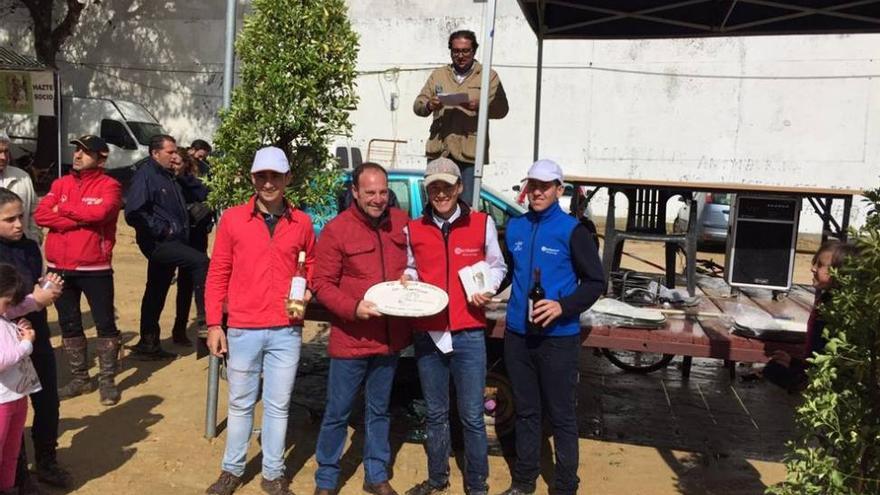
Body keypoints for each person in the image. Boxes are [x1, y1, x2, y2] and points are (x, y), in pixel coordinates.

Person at [204, 147, 315, 495]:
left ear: (287, 179)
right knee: (240, 403)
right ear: (253, 179)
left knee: (279, 405)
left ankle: (272, 473)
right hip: (243, 327)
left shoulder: (303, 222)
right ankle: (232, 469)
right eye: (262, 176)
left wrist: (308, 288)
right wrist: (213, 324)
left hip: (286, 328)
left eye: (276, 176)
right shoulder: (234, 220)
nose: (269, 183)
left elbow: (310, 264)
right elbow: (218, 272)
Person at [400, 158, 506, 495]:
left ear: (459, 188)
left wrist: (489, 286)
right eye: (434, 187)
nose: (441, 192)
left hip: (469, 332)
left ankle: (477, 486)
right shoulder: (413, 228)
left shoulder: (481, 223)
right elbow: (413, 267)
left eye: (447, 186)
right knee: (435, 413)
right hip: (429, 332)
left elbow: (497, 264)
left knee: (472, 415)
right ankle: (437, 479)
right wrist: (408, 277)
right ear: (427, 190)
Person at [500, 160, 605, 495]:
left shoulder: (573, 231)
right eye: (533, 185)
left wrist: (563, 306)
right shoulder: (515, 227)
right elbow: (504, 272)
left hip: (558, 339)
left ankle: (565, 486)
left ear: (560, 189)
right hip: (517, 335)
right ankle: (523, 482)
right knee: (527, 413)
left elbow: (595, 282)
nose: (538, 192)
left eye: (546, 186)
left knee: (561, 417)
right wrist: (483, 286)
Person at [312, 162, 411, 495]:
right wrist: (352, 308)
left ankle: (376, 475)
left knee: (379, 410)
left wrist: (411, 278)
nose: (378, 199)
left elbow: (414, 264)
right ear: (355, 192)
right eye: (370, 192)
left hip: (388, 339)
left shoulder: (402, 223)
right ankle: (326, 478)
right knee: (338, 412)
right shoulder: (337, 230)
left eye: (383, 192)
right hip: (351, 339)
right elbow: (322, 284)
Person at [34, 135, 123, 406]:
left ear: (101, 157)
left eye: (85, 151)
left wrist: (63, 210)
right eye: (76, 150)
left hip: (95, 266)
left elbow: (101, 214)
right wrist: (79, 216)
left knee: (105, 323)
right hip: (58, 267)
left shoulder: (111, 186)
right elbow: (41, 215)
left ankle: (107, 381)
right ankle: (80, 379)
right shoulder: (61, 183)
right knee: (69, 323)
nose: (77, 155)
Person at [0, 188, 71, 491]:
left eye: (22, 217)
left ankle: (47, 460)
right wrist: (35, 300)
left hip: (35, 334)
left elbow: (34, 280)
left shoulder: (29, 246)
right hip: (7, 340)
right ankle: (18, 476)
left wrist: (47, 286)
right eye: (9, 219)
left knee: (47, 402)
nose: (19, 224)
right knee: (12, 408)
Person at [124, 134, 209, 360]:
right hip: (159, 243)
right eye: (170, 152)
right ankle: (205, 319)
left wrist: (182, 175)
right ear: (155, 153)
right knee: (201, 261)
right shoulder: (146, 175)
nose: (175, 156)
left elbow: (203, 192)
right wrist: (162, 229)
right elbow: (133, 212)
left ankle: (148, 342)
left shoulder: (169, 176)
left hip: (173, 241)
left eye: (175, 152)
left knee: (157, 289)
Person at [413, 29, 509, 206]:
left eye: (465, 51)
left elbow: (501, 110)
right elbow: (418, 105)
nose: (460, 55)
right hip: (440, 151)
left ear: (474, 51)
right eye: (456, 51)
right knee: (436, 203)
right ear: (450, 51)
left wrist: (479, 104)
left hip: (469, 154)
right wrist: (429, 104)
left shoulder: (488, 75)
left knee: (466, 205)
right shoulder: (438, 74)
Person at [762, 240, 859, 392]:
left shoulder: (840, 313)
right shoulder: (827, 301)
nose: (812, 268)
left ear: (841, 272)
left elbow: (830, 364)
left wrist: (792, 372)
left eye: (820, 265)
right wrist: (794, 363)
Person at [0, 264, 61, 495]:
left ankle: (9, 489)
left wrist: (18, 330)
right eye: (7, 302)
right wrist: (25, 345)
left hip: (16, 396)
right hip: (2, 401)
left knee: (11, 453)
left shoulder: (3, 316)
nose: (10, 308)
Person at [170, 151, 213, 345]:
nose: (174, 166)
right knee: (179, 285)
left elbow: (204, 194)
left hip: (196, 238)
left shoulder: (191, 182)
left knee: (194, 284)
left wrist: (184, 178)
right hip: (177, 239)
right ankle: (177, 329)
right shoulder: (169, 181)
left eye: (178, 163)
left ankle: (196, 325)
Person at [0, 133, 41, 243]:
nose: (3, 157)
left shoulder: (22, 177)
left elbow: (34, 211)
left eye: (6, 151)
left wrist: (33, 239)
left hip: (20, 249)